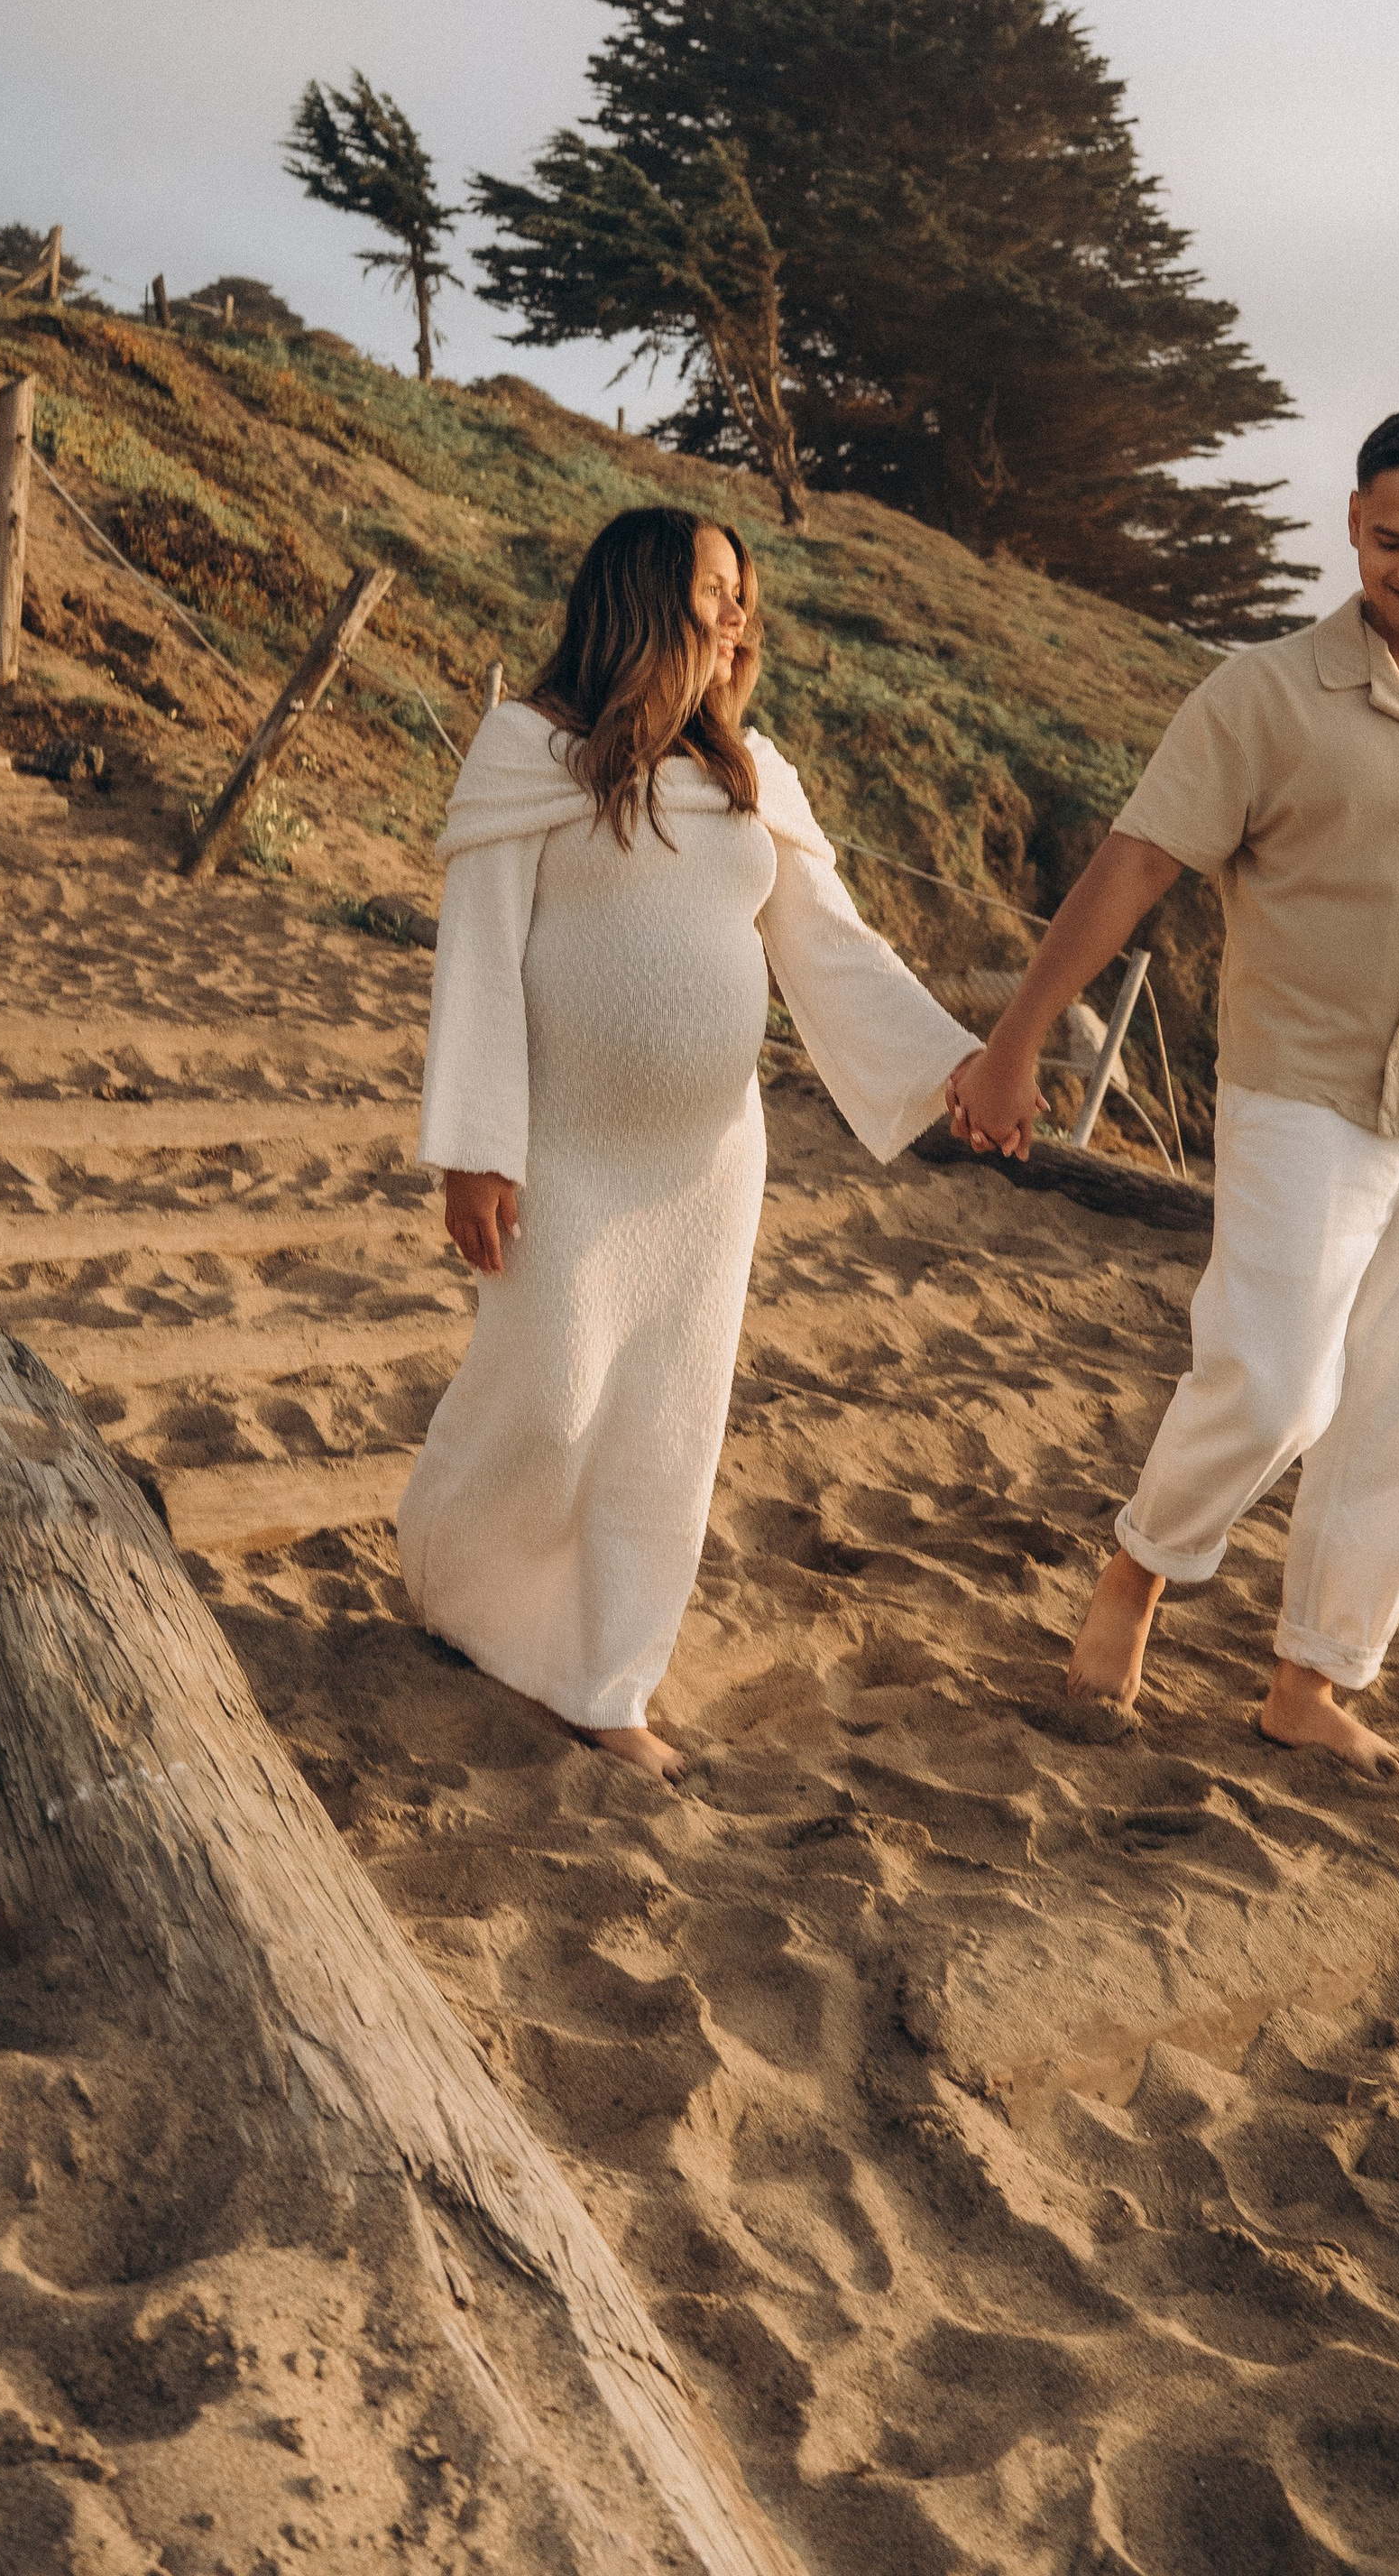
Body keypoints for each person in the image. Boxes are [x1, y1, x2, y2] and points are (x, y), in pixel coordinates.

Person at [949, 406, 1399, 1775]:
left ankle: (1311, 1680)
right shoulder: (1261, 696)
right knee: (1275, 1386)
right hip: (1300, 1093)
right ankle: (1141, 1570)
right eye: (1385, 541)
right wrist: (1017, 1039)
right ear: (1350, 523)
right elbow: (1136, 864)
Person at [399, 505, 983, 1781]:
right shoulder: (529, 754)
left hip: (707, 1168)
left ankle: (607, 1681)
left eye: (743, 595)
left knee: (666, 1421)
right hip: (561, 1152)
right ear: (643, 601)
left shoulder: (752, 777)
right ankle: (454, 1578)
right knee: (547, 1400)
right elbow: (480, 966)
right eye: (715, 591)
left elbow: (833, 948)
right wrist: (474, 1148)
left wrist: (959, 1067)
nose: (738, 616)